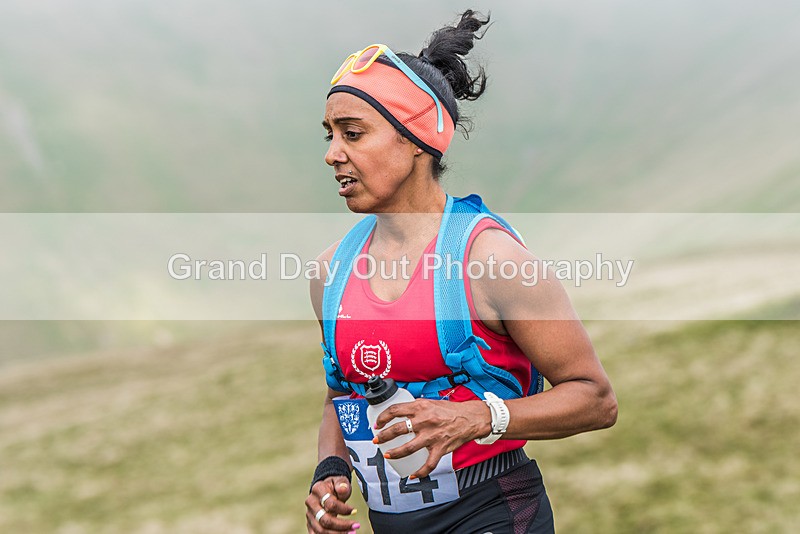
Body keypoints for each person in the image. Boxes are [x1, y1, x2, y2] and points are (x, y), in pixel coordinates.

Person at [306, 10, 617, 534]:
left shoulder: (493, 262)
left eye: (353, 134)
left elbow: (595, 398)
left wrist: (478, 417)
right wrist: (330, 469)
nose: (333, 154)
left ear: (415, 138)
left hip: (493, 513)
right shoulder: (328, 271)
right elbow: (344, 396)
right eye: (330, 134)